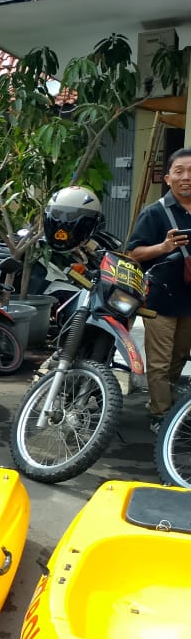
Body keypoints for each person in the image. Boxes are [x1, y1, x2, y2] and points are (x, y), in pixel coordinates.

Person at [127, 148, 191, 432]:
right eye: (179, 171)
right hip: (161, 300)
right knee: (160, 362)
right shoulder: (155, 213)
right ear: (167, 178)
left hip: (189, 301)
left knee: (179, 357)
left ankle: (166, 398)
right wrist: (163, 248)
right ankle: (160, 415)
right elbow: (133, 254)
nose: (186, 177)